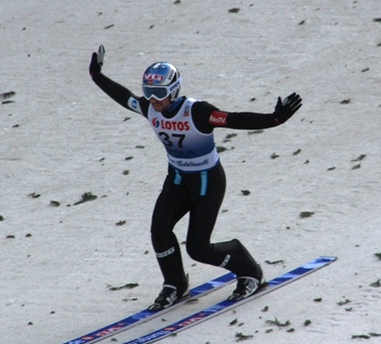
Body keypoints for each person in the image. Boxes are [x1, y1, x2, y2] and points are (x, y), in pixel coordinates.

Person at [89, 45, 302, 310]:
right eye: (149, 92)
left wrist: (275, 119)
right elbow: (124, 96)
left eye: (159, 93)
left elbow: (234, 119)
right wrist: (96, 76)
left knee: (198, 249)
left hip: (207, 181)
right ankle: (175, 284)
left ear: (174, 90)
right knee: (159, 231)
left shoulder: (197, 112)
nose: (154, 99)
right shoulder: (150, 108)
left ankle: (250, 272)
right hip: (178, 179)